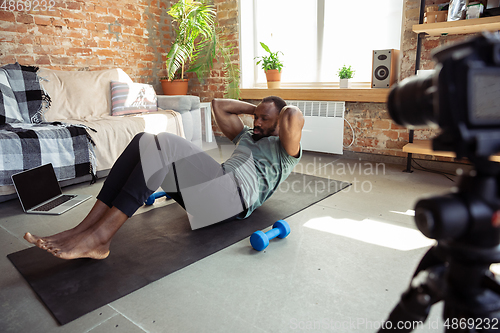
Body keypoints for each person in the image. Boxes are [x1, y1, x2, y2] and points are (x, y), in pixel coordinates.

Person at [23, 96, 304, 260]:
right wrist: (257, 109)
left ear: (279, 123)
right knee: (143, 140)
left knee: (166, 142)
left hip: (233, 201)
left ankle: (101, 237)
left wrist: (275, 117)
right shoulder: (246, 136)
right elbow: (218, 105)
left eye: (264, 119)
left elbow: (292, 114)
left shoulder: (284, 151)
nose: (256, 122)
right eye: (256, 117)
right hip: (211, 196)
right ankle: (84, 229)